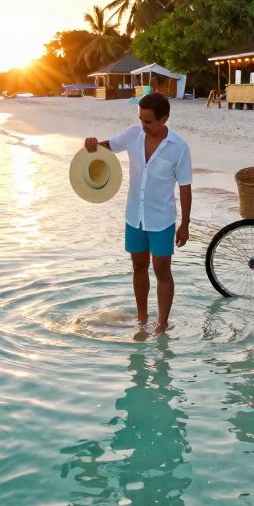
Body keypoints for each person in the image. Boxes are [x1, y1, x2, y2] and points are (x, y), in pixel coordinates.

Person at [84, 92, 192, 333]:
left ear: (164, 119)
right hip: (134, 216)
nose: (143, 125)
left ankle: (162, 323)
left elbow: (185, 187)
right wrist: (93, 143)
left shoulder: (179, 147)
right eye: (141, 119)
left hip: (162, 219)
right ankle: (142, 317)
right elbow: (106, 148)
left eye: (149, 121)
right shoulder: (133, 134)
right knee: (138, 267)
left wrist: (185, 224)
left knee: (162, 270)